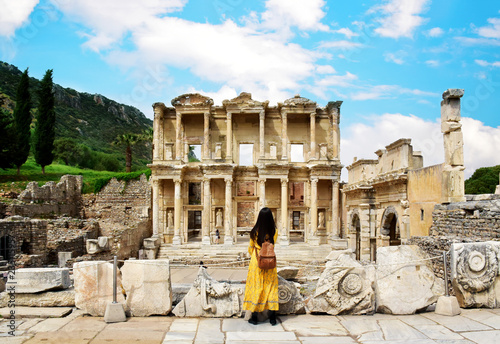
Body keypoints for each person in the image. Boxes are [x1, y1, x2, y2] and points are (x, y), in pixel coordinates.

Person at [243, 207, 278, 325]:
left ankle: (254, 317)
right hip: (270, 262)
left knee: (256, 287)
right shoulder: (274, 231)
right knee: (271, 287)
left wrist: (255, 253)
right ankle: (272, 317)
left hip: (257, 261)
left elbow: (250, 248)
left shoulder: (254, 232)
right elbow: (273, 245)